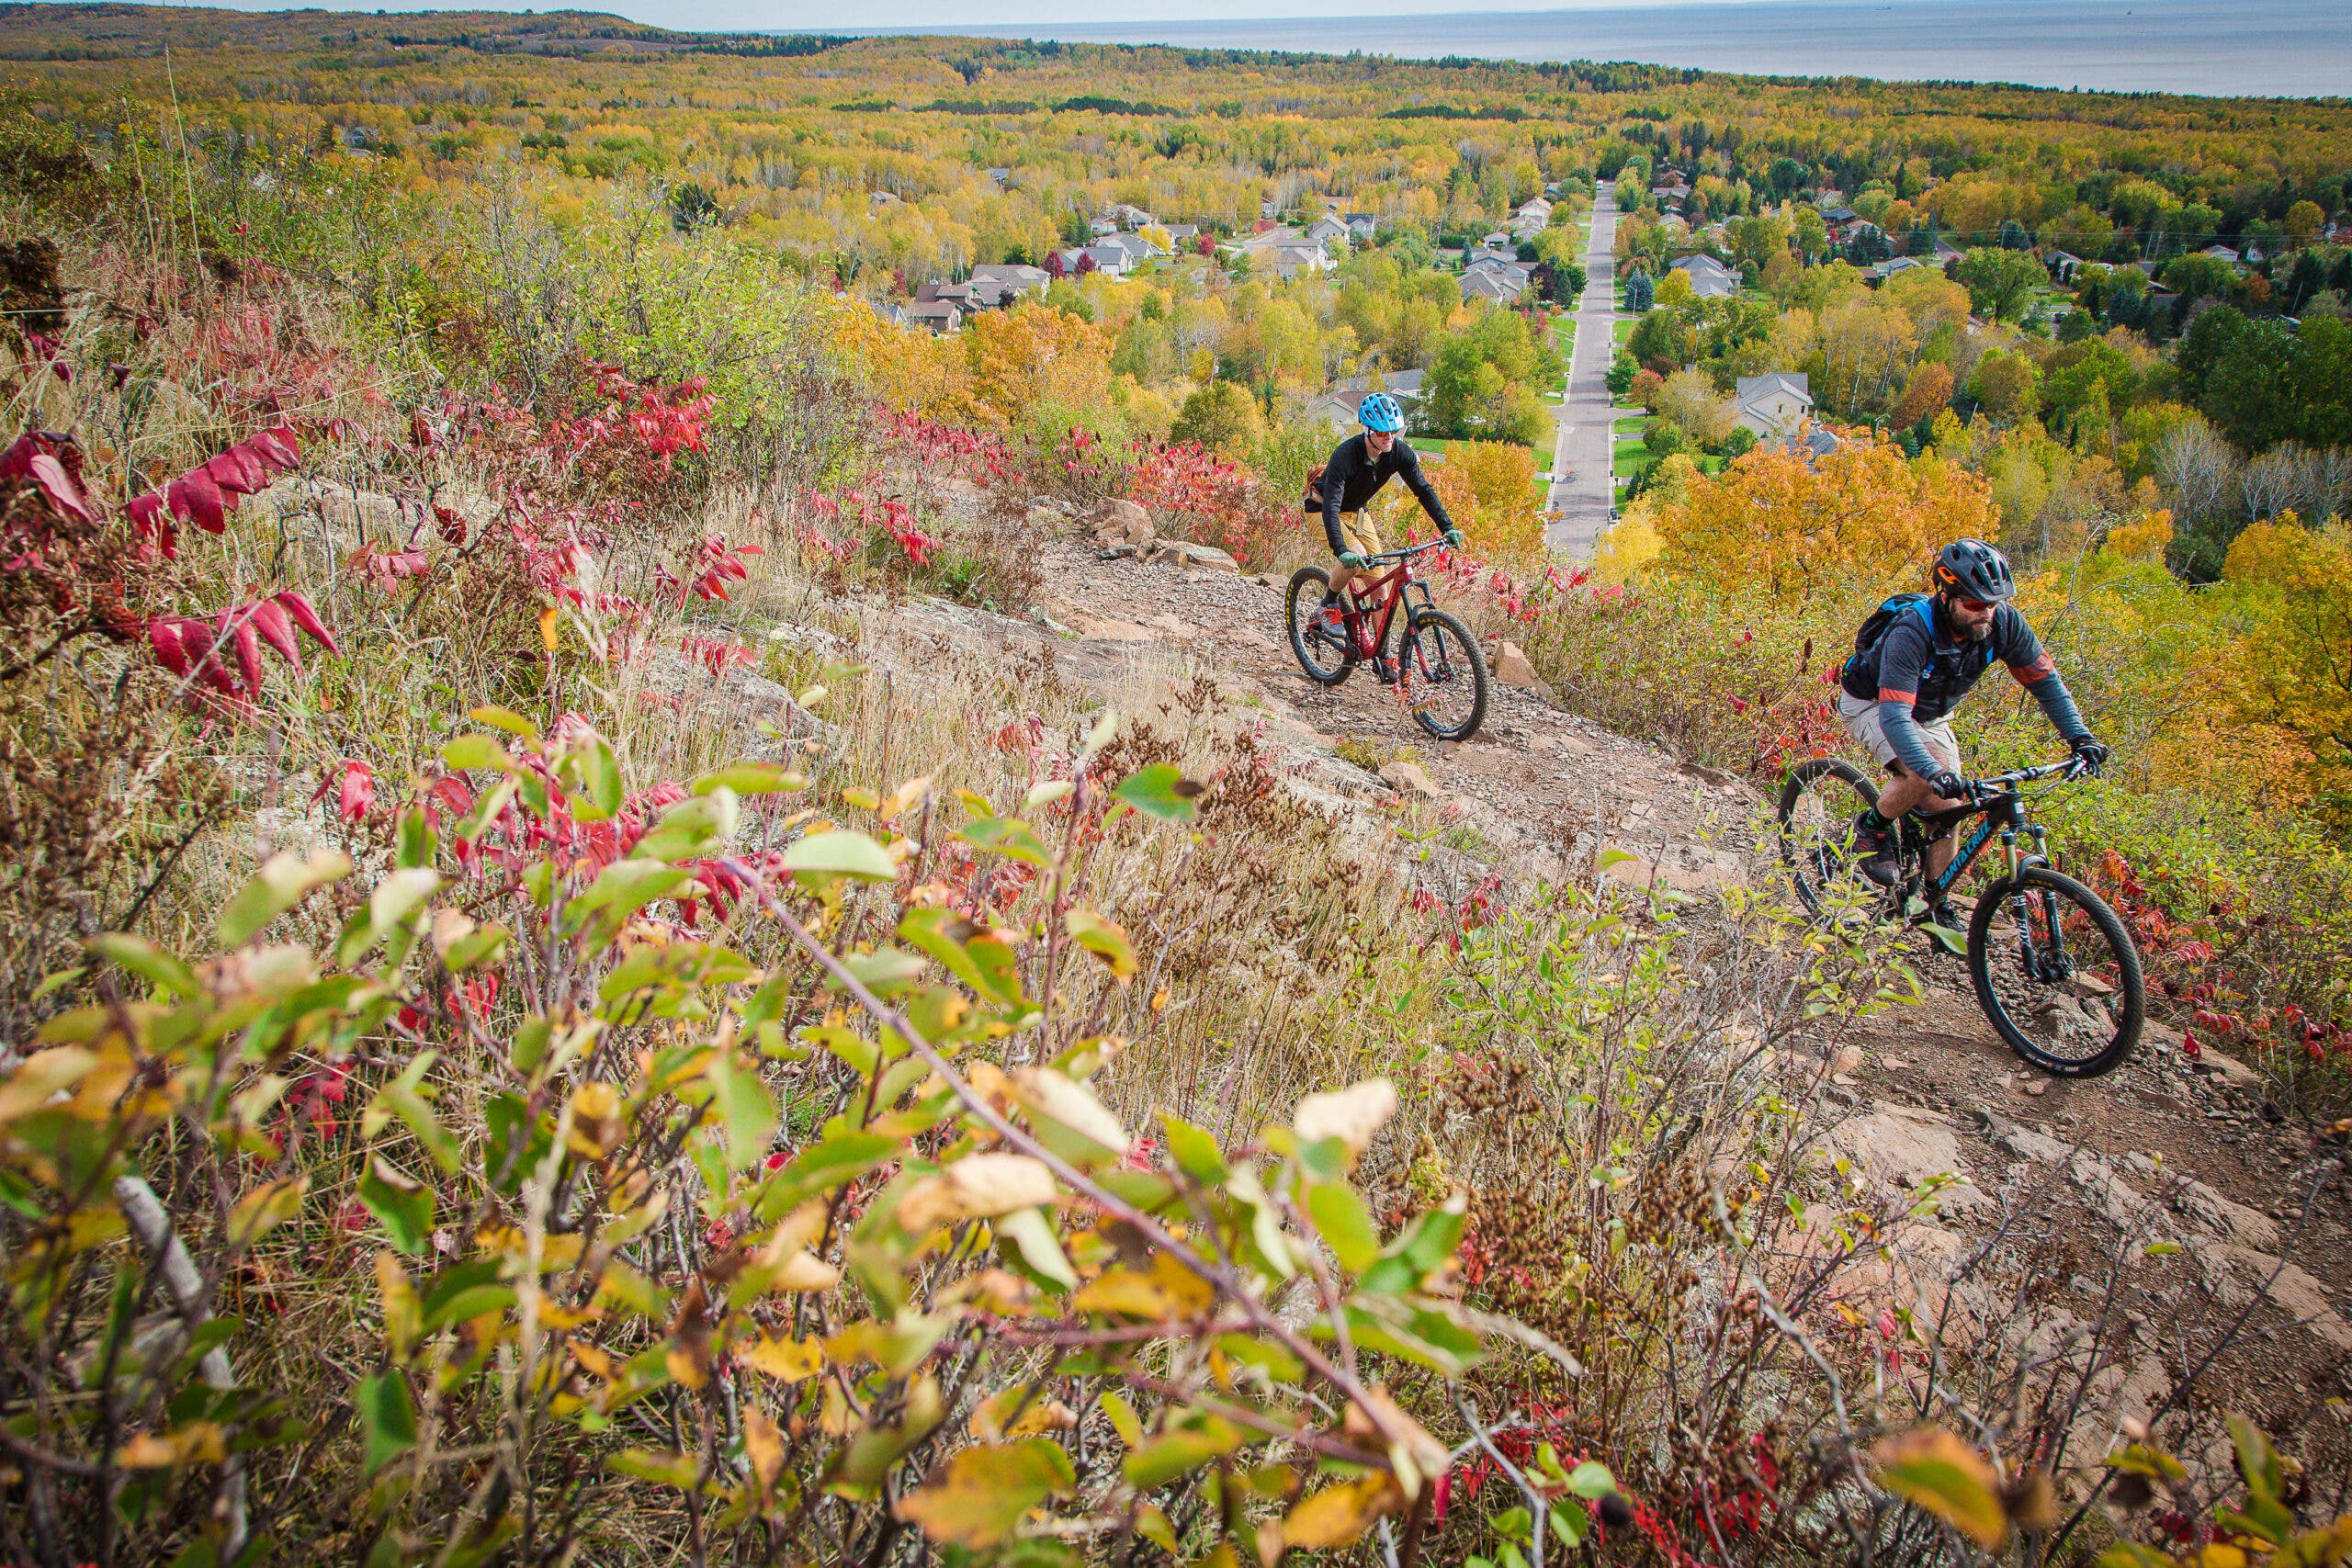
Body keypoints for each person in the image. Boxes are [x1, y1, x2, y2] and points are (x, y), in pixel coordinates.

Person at [1837, 538, 2109, 927]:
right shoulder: (1912, 631)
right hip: (1874, 703)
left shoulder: (2005, 625)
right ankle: (1872, 827)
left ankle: (1933, 903)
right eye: (1975, 604)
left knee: (1949, 809)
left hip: (1930, 714)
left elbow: (2046, 683)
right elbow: (1895, 718)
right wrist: (1932, 772)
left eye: (1993, 604)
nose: (1986, 614)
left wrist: (2080, 737)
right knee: (1925, 774)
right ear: (1946, 596)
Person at [1308, 394, 1461, 676]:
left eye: (1394, 431)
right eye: (1381, 432)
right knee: (1356, 557)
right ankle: (1328, 602)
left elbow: (1423, 490)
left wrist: (1447, 526)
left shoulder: (1399, 453)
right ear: (1367, 431)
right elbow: (1331, 507)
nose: (1389, 437)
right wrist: (1341, 549)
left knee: (1380, 586)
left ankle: (1383, 655)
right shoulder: (1345, 455)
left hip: (1357, 513)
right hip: (1322, 510)